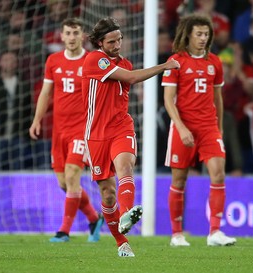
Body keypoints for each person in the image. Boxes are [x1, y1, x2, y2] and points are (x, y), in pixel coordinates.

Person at [81, 17, 180, 257]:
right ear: (100, 42)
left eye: (120, 40)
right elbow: (132, 78)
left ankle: (126, 214)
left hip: (121, 127)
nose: (117, 45)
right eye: (112, 41)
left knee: (126, 167)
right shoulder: (94, 59)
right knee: (107, 193)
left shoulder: (125, 62)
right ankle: (121, 242)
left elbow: (129, 78)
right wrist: (163, 66)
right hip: (96, 134)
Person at [161, 14, 237, 247]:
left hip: (208, 127)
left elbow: (218, 99)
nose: (203, 38)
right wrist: (182, 128)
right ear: (188, 35)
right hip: (183, 127)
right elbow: (168, 100)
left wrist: (220, 128)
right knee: (179, 180)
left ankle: (214, 232)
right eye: (199, 34)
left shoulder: (215, 62)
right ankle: (176, 235)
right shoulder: (176, 61)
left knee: (219, 173)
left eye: (206, 34)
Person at [29, 18, 104, 243]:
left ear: (83, 36)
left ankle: (64, 231)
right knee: (64, 183)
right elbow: (45, 93)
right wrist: (36, 120)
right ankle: (93, 218)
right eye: (68, 33)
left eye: (76, 33)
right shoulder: (53, 61)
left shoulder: (91, 60)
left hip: (81, 129)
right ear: (61, 37)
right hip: (58, 131)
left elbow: (99, 97)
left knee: (73, 175)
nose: (71, 37)